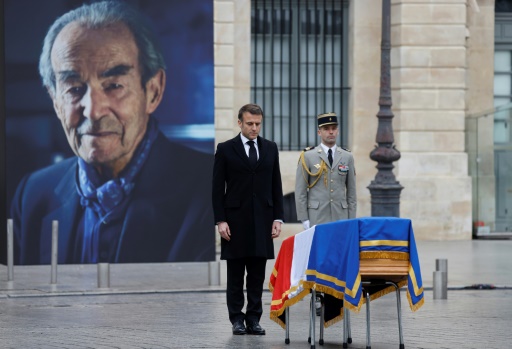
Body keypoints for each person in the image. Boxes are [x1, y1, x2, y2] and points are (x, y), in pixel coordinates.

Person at [11, 1, 214, 264]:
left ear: (153, 91)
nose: (93, 111)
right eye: (73, 88)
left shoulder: (215, 191)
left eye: (114, 85)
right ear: (55, 101)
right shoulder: (33, 195)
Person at [212, 104, 284, 335]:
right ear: (240, 123)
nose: (254, 128)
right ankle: (236, 319)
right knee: (235, 275)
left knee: (256, 275)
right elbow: (216, 189)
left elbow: (276, 185)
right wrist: (220, 220)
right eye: (250, 123)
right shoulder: (225, 149)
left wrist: (278, 218)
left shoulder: (270, 148)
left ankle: (254, 318)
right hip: (234, 222)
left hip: (262, 220)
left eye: (258, 124)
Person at [295, 112, 357, 229]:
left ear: (337, 131)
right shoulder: (308, 156)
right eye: (326, 129)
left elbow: (352, 192)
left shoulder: (347, 156)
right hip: (317, 216)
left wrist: (351, 218)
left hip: (341, 216)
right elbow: (300, 191)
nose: (331, 132)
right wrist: (304, 219)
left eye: (333, 128)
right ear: (319, 132)